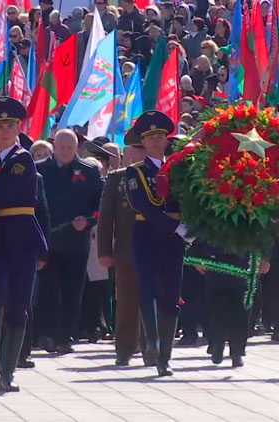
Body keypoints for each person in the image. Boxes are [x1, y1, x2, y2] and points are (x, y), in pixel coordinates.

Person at [0, 97, 47, 392]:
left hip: (21, 235)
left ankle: (7, 369)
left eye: (10, 125)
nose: (5, 130)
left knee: (18, 303)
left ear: (19, 128)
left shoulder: (22, 158)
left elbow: (1, 193)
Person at [124, 111, 189, 376]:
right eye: (150, 137)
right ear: (142, 141)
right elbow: (144, 208)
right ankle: (152, 342)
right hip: (147, 235)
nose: (155, 141)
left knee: (171, 293)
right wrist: (178, 227)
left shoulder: (179, 169)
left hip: (173, 239)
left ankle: (165, 355)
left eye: (160, 136)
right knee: (148, 288)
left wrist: (191, 227)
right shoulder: (135, 171)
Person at [36, 129, 104, 355]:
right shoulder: (41, 170)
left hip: (77, 242)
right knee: (48, 289)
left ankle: (66, 336)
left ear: (76, 148)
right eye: (61, 146)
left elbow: (100, 207)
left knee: (72, 291)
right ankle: (48, 333)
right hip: (49, 241)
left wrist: (87, 220)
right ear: (54, 145)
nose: (65, 151)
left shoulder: (90, 171)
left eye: (69, 147)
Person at [97, 142, 147, 366]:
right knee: (126, 301)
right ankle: (125, 349)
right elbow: (106, 218)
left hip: (155, 250)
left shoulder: (162, 175)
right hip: (125, 250)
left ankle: (151, 347)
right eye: (132, 149)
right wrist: (104, 251)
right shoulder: (117, 179)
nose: (135, 153)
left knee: (153, 302)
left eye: (140, 148)